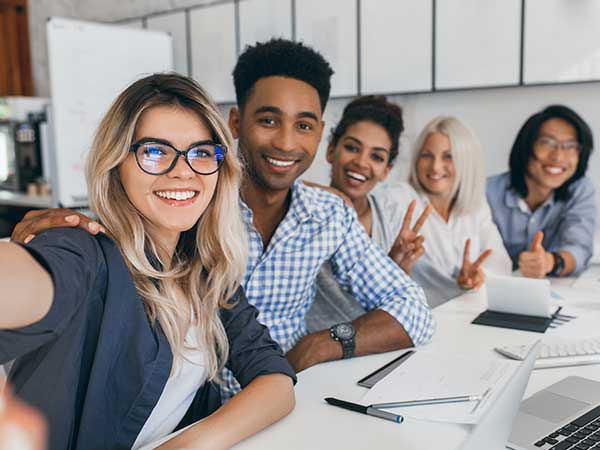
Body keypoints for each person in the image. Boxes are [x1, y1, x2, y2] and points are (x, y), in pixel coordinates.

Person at [10, 40, 434, 393]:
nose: (286, 142)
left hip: (284, 395)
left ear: (321, 132)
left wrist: (318, 346)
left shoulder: (327, 214)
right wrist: (68, 228)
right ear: (234, 122)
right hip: (186, 405)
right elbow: (125, 223)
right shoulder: (194, 205)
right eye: (268, 120)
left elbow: (413, 309)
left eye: (304, 126)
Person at [1, 74, 295, 450]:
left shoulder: (203, 272)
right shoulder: (83, 250)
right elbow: (26, 282)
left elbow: (276, 381)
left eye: (202, 152)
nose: (183, 170)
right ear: (115, 163)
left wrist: (187, 445)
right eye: (155, 151)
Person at [305, 96, 431, 331]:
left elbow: (395, 307)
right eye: (352, 148)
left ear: (386, 170)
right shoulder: (304, 209)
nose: (362, 162)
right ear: (331, 150)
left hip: (371, 347)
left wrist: (395, 270)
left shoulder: (390, 218)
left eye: (376, 157)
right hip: (313, 351)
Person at [389, 116, 513, 307]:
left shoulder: (475, 205)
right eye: (427, 155)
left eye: (448, 156)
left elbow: (500, 261)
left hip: (467, 313)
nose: (435, 167)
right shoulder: (399, 198)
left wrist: (478, 276)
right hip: (421, 317)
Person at [487, 104, 596, 278]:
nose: (558, 157)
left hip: (553, 292)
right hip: (491, 290)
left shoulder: (580, 190)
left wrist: (551, 262)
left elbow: (579, 247)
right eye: (547, 143)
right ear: (526, 147)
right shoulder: (488, 193)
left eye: (570, 146)